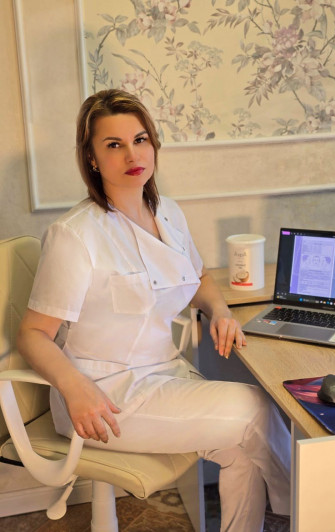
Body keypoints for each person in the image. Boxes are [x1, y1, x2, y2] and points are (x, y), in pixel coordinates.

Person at [17, 89, 290, 531]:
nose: (132, 155)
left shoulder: (167, 213)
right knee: (254, 405)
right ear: (91, 158)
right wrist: (74, 387)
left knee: (242, 450)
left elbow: (199, 277)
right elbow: (32, 334)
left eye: (140, 140)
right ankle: (316, 507)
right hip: (104, 395)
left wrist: (220, 311)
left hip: (165, 375)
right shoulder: (74, 235)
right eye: (114, 144)